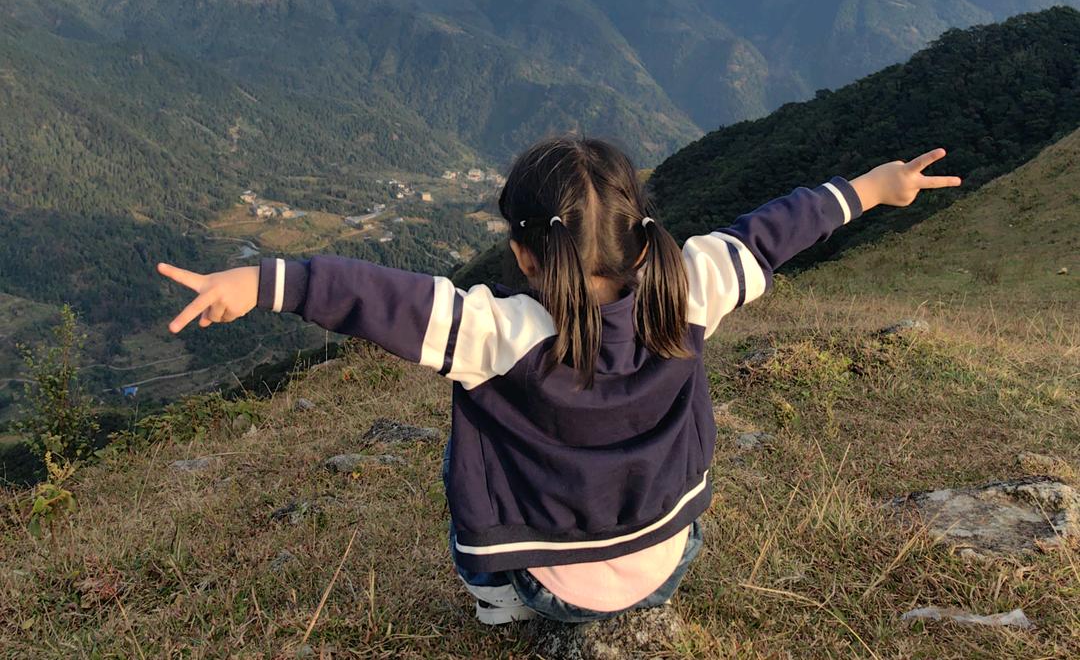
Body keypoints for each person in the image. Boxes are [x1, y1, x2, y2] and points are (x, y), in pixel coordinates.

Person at [161, 136, 960, 625]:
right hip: (665, 559)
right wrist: (872, 189)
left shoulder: (496, 335)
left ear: (523, 255)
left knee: (460, 453)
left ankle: (497, 603)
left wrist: (264, 282)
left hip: (552, 587)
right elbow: (777, 230)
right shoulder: (692, 289)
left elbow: (375, 299)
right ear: (643, 237)